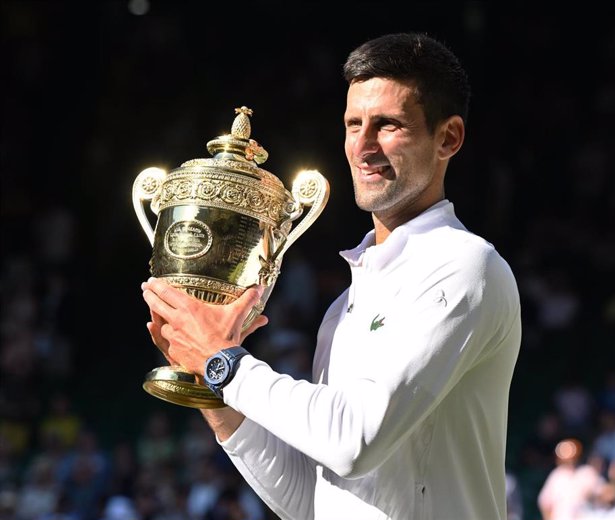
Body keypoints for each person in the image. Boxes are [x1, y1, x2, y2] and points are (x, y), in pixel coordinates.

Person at [141, 32, 522, 520]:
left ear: (447, 137)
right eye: (353, 124)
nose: (363, 146)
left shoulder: (467, 265)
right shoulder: (343, 307)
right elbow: (312, 501)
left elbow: (354, 441)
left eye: (388, 126)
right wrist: (210, 389)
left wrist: (226, 364)